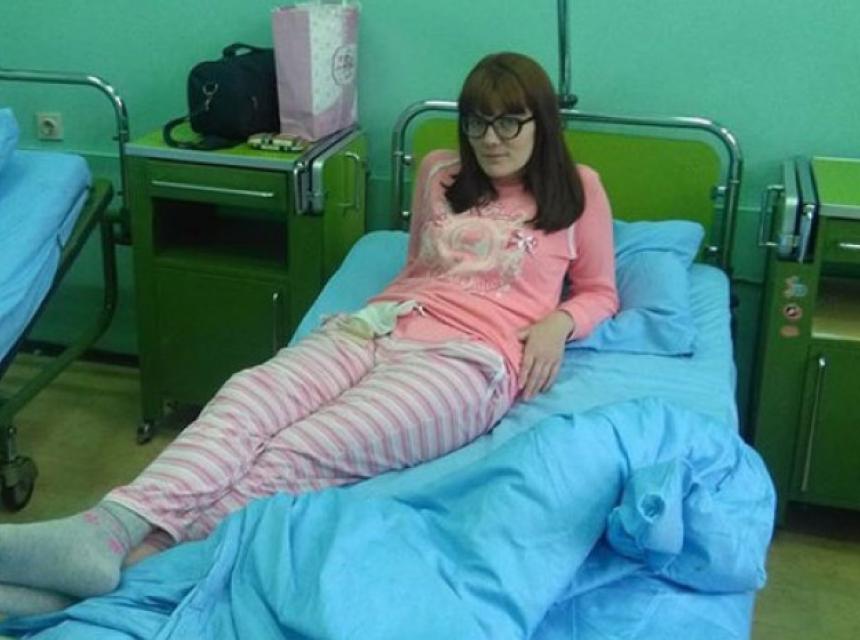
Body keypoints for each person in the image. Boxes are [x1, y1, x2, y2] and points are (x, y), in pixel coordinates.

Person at [0, 51, 618, 616]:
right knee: (247, 398)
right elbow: (416, 267)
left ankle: (130, 566)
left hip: (467, 361)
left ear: (541, 122)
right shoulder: (439, 171)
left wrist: (559, 322)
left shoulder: (580, 189)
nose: (491, 139)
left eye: (510, 122)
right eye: (477, 122)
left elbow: (600, 291)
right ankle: (107, 527)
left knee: (302, 449)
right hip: (377, 325)